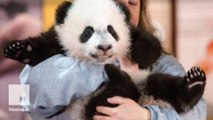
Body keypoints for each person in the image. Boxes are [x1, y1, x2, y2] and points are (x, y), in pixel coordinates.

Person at [19, 0, 207, 120]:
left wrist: (147, 116)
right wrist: (101, 69)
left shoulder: (162, 62)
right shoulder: (66, 44)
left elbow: (197, 113)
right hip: (86, 109)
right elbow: (21, 98)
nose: (125, 7)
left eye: (133, 2)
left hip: (139, 91)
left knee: (160, 84)